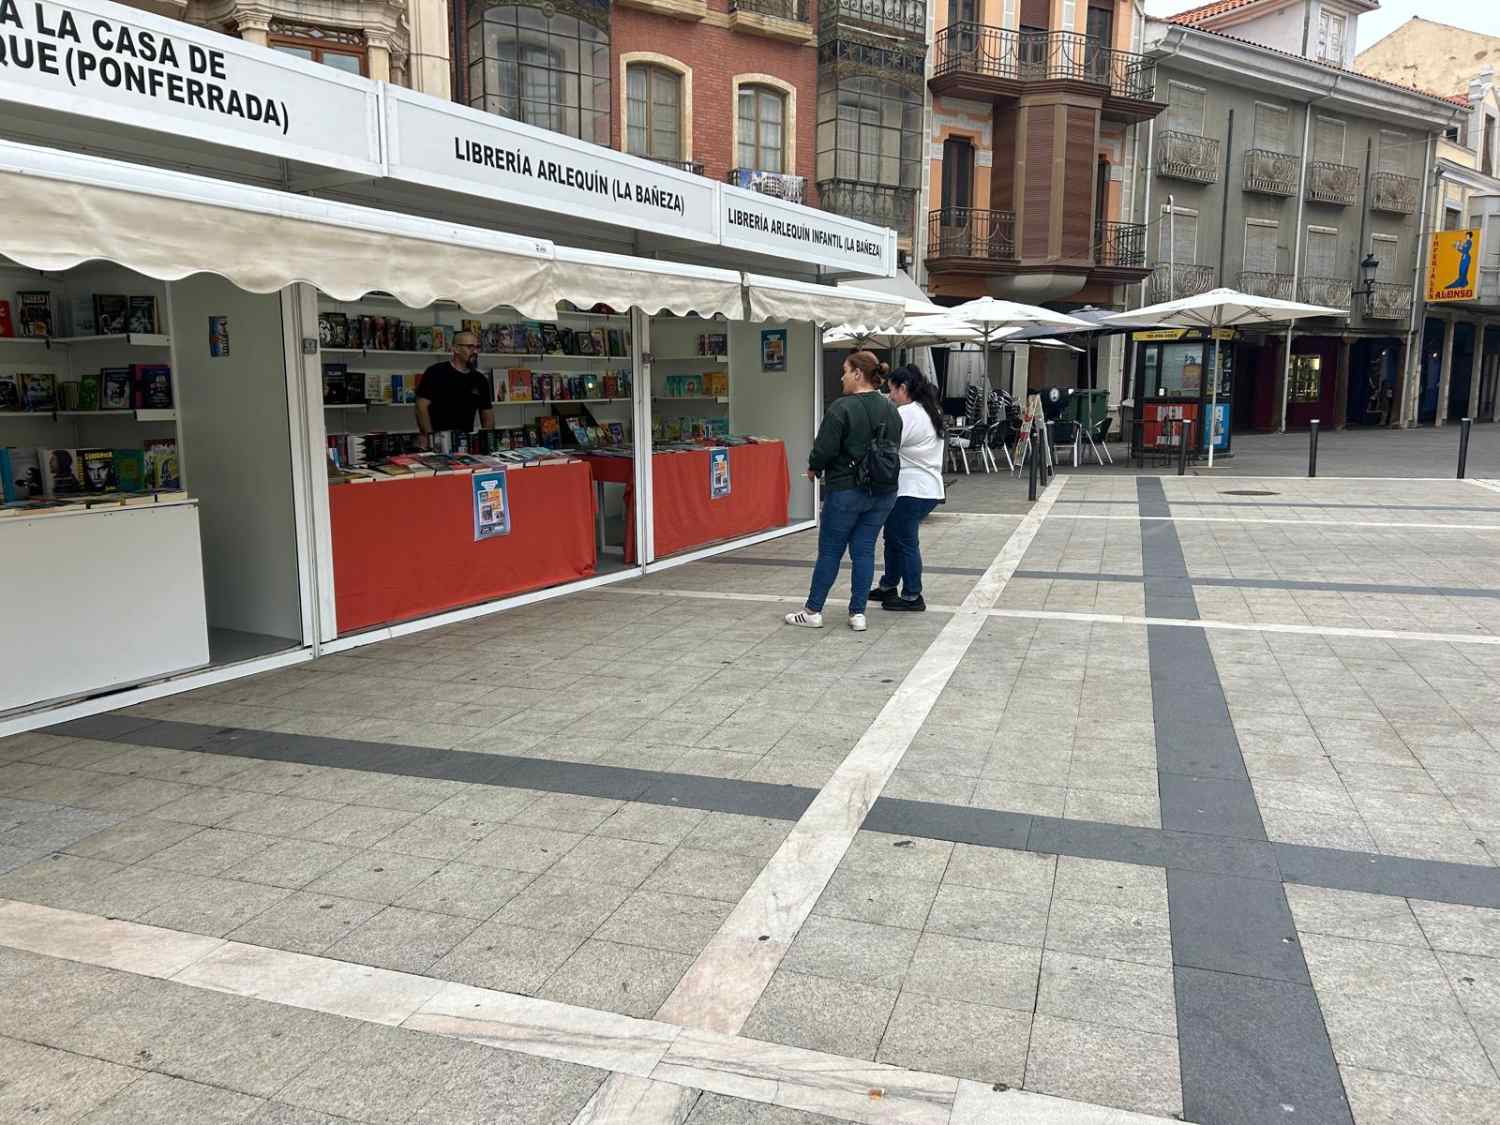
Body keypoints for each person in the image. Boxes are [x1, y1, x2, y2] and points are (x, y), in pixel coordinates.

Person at [785, 351, 903, 632]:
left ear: (858, 374)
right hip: (883, 491)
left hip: (847, 490)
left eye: (845, 371)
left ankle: (813, 611)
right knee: (864, 551)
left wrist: (814, 469)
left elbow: (824, 449)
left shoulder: (842, 407)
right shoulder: (891, 409)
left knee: (830, 552)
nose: (842, 377)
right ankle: (858, 613)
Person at [871, 365, 945, 612]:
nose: (890, 396)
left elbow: (887, 444)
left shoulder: (909, 414)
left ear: (903, 388)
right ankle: (888, 585)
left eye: (891, 390)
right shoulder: (929, 409)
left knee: (904, 541)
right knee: (893, 537)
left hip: (912, 489)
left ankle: (913, 595)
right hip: (925, 489)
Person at [416, 332, 493, 441]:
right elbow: (421, 407)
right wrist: (430, 438)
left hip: (466, 442)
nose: (475, 351)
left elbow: (487, 414)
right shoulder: (436, 372)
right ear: (456, 349)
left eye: (477, 347)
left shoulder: (480, 379)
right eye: (470, 347)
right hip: (438, 440)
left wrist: (488, 441)